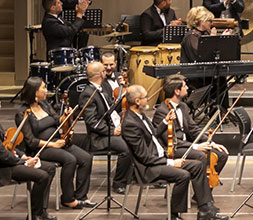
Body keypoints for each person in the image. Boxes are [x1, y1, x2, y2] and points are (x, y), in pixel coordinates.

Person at [123, 84, 229, 220]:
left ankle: (204, 210)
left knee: (197, 165)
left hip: (158, 159)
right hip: (148, 168)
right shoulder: (130, 123)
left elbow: (153, 133)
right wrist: (172, 162)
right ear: (137, 101)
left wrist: (165, 121)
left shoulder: (139, 116)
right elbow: (145, 158)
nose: (148, 99)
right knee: (183, 175)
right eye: (146, 97)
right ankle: (174, 215)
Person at [0, 89, 57, 220]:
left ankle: (40, 210)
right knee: (42, 176)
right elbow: (2, 155)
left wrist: (24, 156)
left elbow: (8, 145)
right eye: (0, 102)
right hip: (1, 169)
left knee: (50, 168)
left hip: (9, 163)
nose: (1, 103)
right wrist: (24, 163)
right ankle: (35, 214)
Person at [15, 77, 92, 209]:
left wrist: (66, 116)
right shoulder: (23, 113)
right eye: (43, 88)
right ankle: (68, 199)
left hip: (58, 142)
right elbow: (30, 141)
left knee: (86, 158)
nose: (46, 90)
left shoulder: (44, 105)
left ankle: (81, 196)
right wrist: (52, 144)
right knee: (70, 160)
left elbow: (58, 121)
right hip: (41, 148)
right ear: (34, 92)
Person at [151, 75, 229, 175]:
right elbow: (172, 141)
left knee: (222, 155)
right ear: (177, 91)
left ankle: (207, 187)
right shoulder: (162, 112)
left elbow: (193, 129)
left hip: (187, 145)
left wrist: (211, 143)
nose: (187, 87)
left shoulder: (183, 106)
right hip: (174, 149)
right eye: (184, 86)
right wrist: (195, 146)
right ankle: (200, 184)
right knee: (201, 155)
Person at [80, 61, 131, 194]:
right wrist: (112, 131)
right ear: (102, 74)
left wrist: (124, 90)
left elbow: (113, 108)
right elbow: (93, 122)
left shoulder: (100, 89)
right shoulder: (88, 94)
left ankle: (135, 176)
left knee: (136, 135)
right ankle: (119, 183)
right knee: (126, 148)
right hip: (99, 137)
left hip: (112, 127)